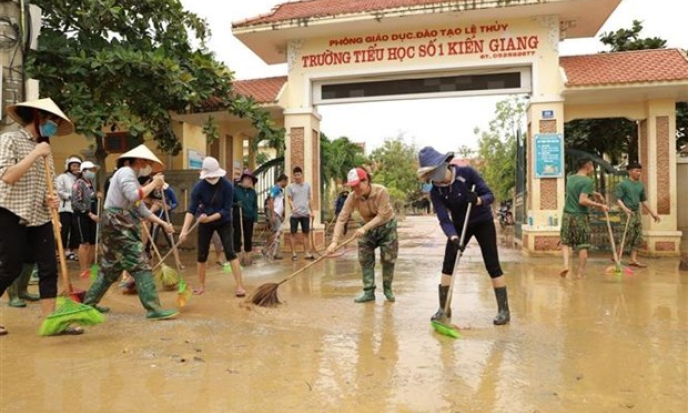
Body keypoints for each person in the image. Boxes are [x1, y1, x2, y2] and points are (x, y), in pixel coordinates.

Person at [0, 98, 83, 336]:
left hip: (40, 215)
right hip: (10, 211)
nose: (54, 127)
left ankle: (51, 322)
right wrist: (36, 153)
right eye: (52, 121)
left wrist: (53, 200)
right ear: (38, 116)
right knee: (10, 267)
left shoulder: (46, 149)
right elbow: (7, 177)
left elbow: (50, 189)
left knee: (49, 268)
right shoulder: (9, 140)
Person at [83, 144, 179, 320]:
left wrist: (163, 223)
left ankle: (89, 303)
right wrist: (154, 185)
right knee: (140, 263)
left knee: (110, 268)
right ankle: (153, 308)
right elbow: (136, 196)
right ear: (138, 161)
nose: (146, 166)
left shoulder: (130, 178)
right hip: (118, 223)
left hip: (117, 223)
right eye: (145, 162)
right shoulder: (126, 172)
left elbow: (141, 209)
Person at [416, 146, 510, 325]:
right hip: (459, 225)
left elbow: (490, 195)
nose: (432, 178)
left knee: (492, 264)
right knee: (448, 263)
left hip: (482, 221)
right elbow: (444, 219)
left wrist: (478, 200)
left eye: (433, 172)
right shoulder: (435, 191)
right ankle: (444, 308)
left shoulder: (467, 174)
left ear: (443, 166)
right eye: (429, 175)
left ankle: (504, 310)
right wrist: (453, 237)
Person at [326, 168, 397, 303]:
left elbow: (382, 216)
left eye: (358, 185)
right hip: (366, 227)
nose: (355, 189)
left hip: (386, 226)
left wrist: (364, 228)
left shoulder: (381, 191)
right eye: (353, 186)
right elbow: (342, 218)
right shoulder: (352, 197)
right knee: (365, 259)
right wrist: (334, 242)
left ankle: (388, 289)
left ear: (366, 181)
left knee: (388, 259)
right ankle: (369, 292)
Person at [179, 156, 246, 297]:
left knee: (230, 252)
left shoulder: (227, 186)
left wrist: (209, 218)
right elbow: (191, 210)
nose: (212, 179)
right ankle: (201, 286)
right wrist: (184, 231)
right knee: (201, 254)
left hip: (223, 221)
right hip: (204, 223)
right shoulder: (199, 187)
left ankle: (239, 286)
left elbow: (226, 210)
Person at [559, 157, 608, 279]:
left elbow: (577, 191)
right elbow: (582, 200)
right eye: (592, 165)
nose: (593, 168)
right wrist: (600, 205)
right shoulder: (587, 181)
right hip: (579, 216)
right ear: (588, 166)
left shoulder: (570, 178)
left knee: (565, 242)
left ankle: (565, 266)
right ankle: (580, 274)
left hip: (567, 215)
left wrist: (595, 194)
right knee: (583, 245)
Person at [615, 162, 660, 267]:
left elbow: (644, 201)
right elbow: (618, 199)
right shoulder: (623, 184)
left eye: (640, 171)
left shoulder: (640, 185)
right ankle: (617, 256)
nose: (639, 173)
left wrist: (653, 214)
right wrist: (625, 209)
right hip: (626, 213)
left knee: (638, 236)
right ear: (629, 171)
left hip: (636, 213)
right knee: (626, 235)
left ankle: (633, 259)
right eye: (636, 171)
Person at [72, 161, 100, 278]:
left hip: (93, 214)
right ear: (84, 171)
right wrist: (89, 214)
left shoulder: (90, 183)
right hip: (81, 216)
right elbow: (76, 202)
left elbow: (90, 197)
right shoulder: (78, 183)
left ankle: (89, 267)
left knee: (93, 243)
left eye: (93, 170)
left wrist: (96, 195)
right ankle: (83, 269)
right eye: (90, 170)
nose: (92, 172)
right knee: (85, 243)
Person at [55, 155, 82, 261]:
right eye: (73, 166)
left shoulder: (80, 178)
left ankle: (70, 251)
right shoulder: (62, 177)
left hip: (76, 208)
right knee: (64, 230)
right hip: (65, 208)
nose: (75, 168)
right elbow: (59, 190)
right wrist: (70, 196)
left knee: (75, 230)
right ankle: (60, 251)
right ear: (69, 166)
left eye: (77, 166)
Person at [287, 166, 316, 261]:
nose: (297, 177)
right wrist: (293, 207)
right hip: (295, 215)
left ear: (302, 175)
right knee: (293, 234)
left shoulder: (307, 186)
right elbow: (289, 199)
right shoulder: (290, 187)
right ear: (293, 176)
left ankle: (306, 253)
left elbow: (309, 199)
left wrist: (312, 212)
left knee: (306, 233)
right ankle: (293, 253)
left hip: (305, 214)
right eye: (295, 175)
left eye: (298, 175)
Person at [233, 169, 258, 266]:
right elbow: (229, 203)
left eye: (250, 180)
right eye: (247, 179)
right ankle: (237, 260)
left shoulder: (253, 193)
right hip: (238, 218)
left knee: (248, 238)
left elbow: (255, 206)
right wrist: (236, 204)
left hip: (249, 218)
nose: (249, 181)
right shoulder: (235, 190)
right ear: (242, 180)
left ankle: (248, 260)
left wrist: (255, 219)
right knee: (237, 238)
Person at [264, 173, 288, 260]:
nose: (286, 184)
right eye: (286, 182)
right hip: (273, 213)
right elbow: (271, 199)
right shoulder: (276, 188)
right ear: (283, 181)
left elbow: (278, 203)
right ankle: (267, 248)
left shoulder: (280, 190)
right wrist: (273, 215)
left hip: (277, 214)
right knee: (276, 232)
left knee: (277, 233)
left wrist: (280, 215)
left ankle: (274, 252)